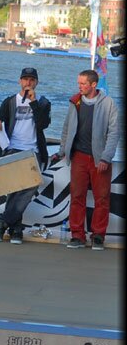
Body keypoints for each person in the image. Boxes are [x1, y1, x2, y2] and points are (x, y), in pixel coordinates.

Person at [56, 69, 121, 250]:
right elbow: (66, 128)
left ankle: (98, 236)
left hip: (100, 159)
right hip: (78, 157)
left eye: (83, 83)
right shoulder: (74, 101)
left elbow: (114, 133)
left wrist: (106, 158)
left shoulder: (108, 104)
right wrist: (63, 150)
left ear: (93, 84)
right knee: (77, 196)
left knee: (102, 198)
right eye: (78, 83)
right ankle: (77, 236)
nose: (80, 86)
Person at [0, 67, 52, 245]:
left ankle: (4, 220)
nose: (28, 83)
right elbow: (0, 121)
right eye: (25, 79)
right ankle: (15, 230)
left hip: (33, 150)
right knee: (14, 189)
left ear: (37, 83)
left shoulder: (43, 102)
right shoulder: (9, 101)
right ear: (20, 81)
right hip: (13, 148)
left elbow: (42, 125)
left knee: (31, 186)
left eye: (32, 80)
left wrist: (33, 103)